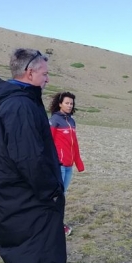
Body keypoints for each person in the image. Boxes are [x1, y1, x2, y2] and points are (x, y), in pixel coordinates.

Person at [0, 48, 66, 263]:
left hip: (10, 197)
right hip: (30, 200)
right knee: (49, 260)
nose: (47, 79)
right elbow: (30, 159)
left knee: (21, 253)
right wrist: (52, 193)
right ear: (30, 73)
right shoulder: (21, 106)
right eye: (45, 73)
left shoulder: (13, 101)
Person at [49, 92, 85, 236]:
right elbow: (48, 143)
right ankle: (56, 225)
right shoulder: (54, 120)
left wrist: (79, 163)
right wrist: (52, 162)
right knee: (58, 196)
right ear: (60, 103)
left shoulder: (71, 121)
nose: (69, 105)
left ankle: (55, 223)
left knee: (61, 196)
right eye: (67, 103)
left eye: (71, 103)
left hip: (69, 166)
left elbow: (74, 144)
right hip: (59, 165)